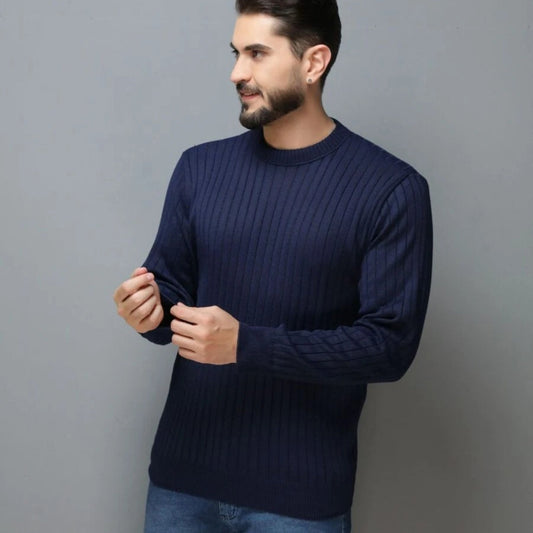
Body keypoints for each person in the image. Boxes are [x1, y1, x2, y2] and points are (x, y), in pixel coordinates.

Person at [113, 1, 433, 531]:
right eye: (236, 53)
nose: (237, 72)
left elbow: (389, 346)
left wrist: (246, 345)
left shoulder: (391, 190)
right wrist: (147, 311)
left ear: (314, 63)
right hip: (180, 483)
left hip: (299, 499)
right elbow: (170, 301)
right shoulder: (199, 168)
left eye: (257, 53)